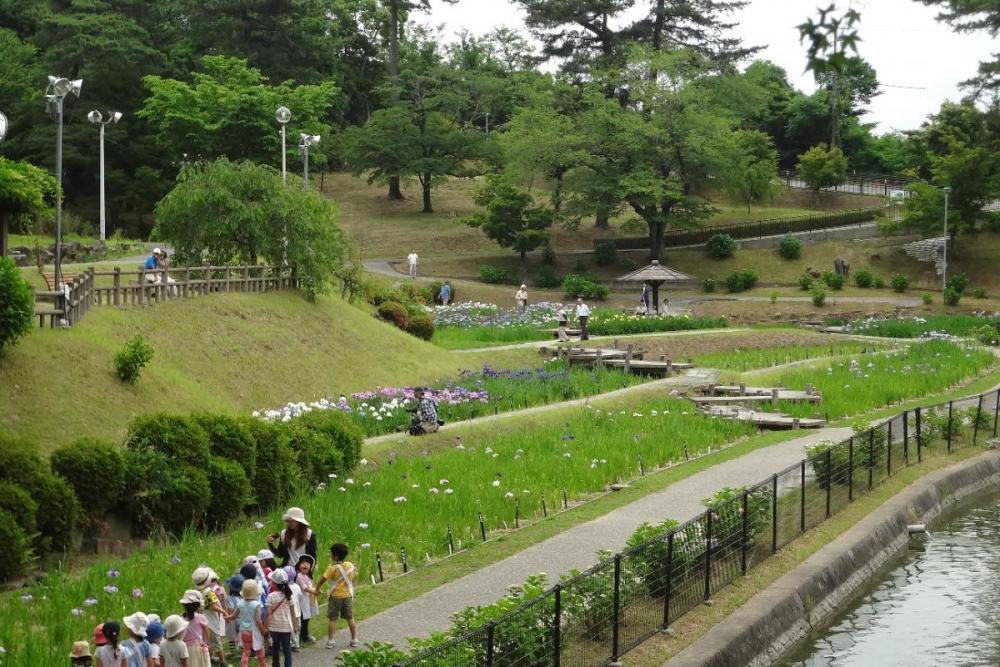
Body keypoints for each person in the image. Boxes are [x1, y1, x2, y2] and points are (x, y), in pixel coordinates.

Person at [314, 543, 359, 650]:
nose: (330, 555)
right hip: (347, 596)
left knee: (332, 619)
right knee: (350, 618)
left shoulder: (332, 568)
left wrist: (317, 588)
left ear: (336, 556)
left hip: (335, 597)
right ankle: (354, 639)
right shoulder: (350, 565)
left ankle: (331, 640)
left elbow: (323, 579)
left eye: (331, 554)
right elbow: (353, 579)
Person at [191, 568, 226, 667]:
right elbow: (213, 606)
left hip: (200, 618)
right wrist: (223, 611)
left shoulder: (195, 592)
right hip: (210, 619)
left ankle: (208, 658)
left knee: (205, 640)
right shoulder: (208, 592)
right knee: (217, 642)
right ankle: (223, 662)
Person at [265, 569, 298, 666]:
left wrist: (266, 627)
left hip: (274, 627)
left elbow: (268, 614)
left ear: (274, 583)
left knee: (275, 648)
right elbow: (293, 613)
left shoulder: (271, 596)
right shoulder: (288, 595)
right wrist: (295, 625)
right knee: (287, 649)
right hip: (286, 627)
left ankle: (276, 665)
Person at [236, 579, 266, 667]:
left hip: (243, 631)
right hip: (254, 631)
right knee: (259, 649)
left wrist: (227, 617)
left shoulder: (240, 603)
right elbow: (258, 621)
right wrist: (263, 630)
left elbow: (233, 616)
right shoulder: (257, 604)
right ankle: (262, 665)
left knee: (246, 651)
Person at [179, 590, 211, 667]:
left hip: (185, 648)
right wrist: (206, 643)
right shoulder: (201, 617)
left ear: (184, 605)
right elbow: (207, 633)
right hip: (198, 647)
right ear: (198, 605)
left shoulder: (181, 618)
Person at [294, 556, 318, 645]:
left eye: (308, 564)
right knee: (304, 618)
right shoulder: (299, 576)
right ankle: (304, 636)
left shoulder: (307, 576)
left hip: (307, 600)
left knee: (306, 618)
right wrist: (315, 591)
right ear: (298, 565)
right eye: (303, 563)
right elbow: (305, 588)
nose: (306, 565)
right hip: (301, 601)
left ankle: (304, 634)